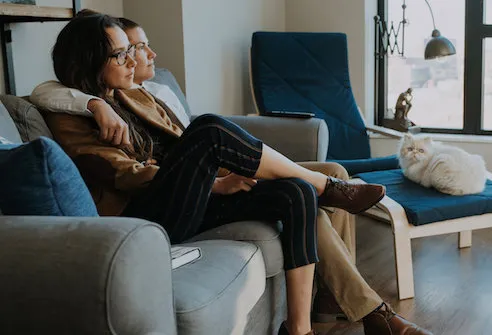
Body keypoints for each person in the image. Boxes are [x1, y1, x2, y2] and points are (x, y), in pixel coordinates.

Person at [35, 11, 433, 335]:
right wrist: (213, 181)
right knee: (209, 128)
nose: (132, 61)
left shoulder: (123, 94)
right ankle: (329, 188)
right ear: (89, 60)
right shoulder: (69, 115)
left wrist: (211, 180)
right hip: (146, 215)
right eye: (120, 55)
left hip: (189, 197)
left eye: (129, 51)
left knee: (295, 193)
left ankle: (305, 327)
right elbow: (124, 175)